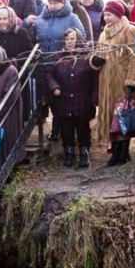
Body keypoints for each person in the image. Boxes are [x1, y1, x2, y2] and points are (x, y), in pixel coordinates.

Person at [25, 0, 87, 141]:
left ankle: (59, 128)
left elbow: (82, 38)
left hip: (64, 65)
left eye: (56, 3)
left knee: (62, 98)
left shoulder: (72, 18)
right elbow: (32, 38)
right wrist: (27, 24)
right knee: (49, 97)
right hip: (44, 65)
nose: (52, 6)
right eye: (50, 2)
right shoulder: (41, 19)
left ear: (63, 2)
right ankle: (56, 127)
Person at [90, 1, 135, 166]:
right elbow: (97, 52)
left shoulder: (130, 30)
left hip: (122, 82)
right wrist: (95, 61)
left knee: (122, 115)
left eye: (110, 14)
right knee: (110, 116)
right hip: (106, 81)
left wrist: (133, 82)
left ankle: (123, 152)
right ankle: (115, 150)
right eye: (105, 15)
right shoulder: (104, 33)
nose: (106, 18)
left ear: (119, 15)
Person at [44, 28, 98, 168]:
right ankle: (69, 153)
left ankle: (84, 153)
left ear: (78, 39)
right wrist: (54, 87)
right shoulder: (58, 56)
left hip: (82, 99)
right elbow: (49, 74)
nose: (69, 42)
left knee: (83, 128)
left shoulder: (87, 57)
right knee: (66, 128)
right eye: (67, 39)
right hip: (64, 99)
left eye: (72, 39)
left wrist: (94, 98)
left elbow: (95, 79)